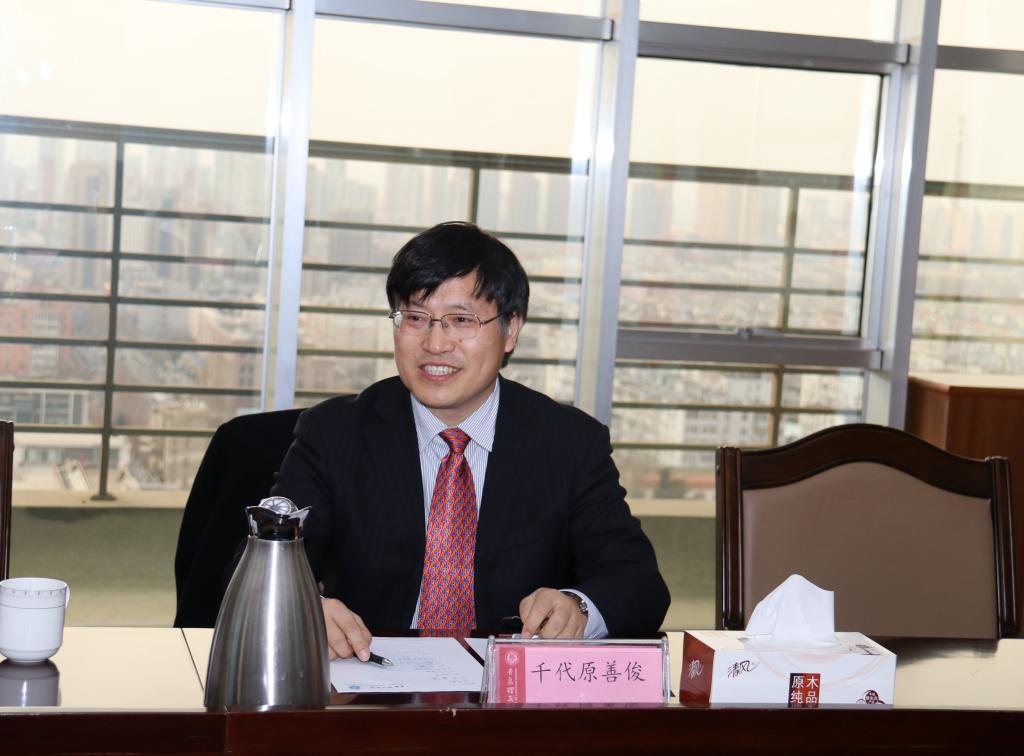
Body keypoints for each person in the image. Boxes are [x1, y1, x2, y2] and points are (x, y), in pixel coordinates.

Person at [271, 221, 669, 661]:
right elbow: (257, 562)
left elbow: (637, 581)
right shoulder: (334, 434)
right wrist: (302, 607)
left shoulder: (568, 443)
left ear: (511, 330)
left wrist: (577, 608)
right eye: (415, 318)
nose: (435, 343)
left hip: (509, 692)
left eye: (461, 320)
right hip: (369, 683)